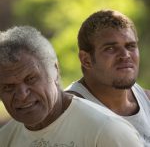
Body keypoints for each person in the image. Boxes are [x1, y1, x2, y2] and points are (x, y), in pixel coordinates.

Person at [0, 26, 143, 147]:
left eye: (31, 79)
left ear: (55, 71)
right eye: (8, 87)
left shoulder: (108, 132)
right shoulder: (5, 139)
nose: (22, 95)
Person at [65, 9, 150, 147]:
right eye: (110, 48)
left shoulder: (147, 101)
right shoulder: (66, 114)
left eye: (131, 46)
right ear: (86, 60)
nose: (125, 55)